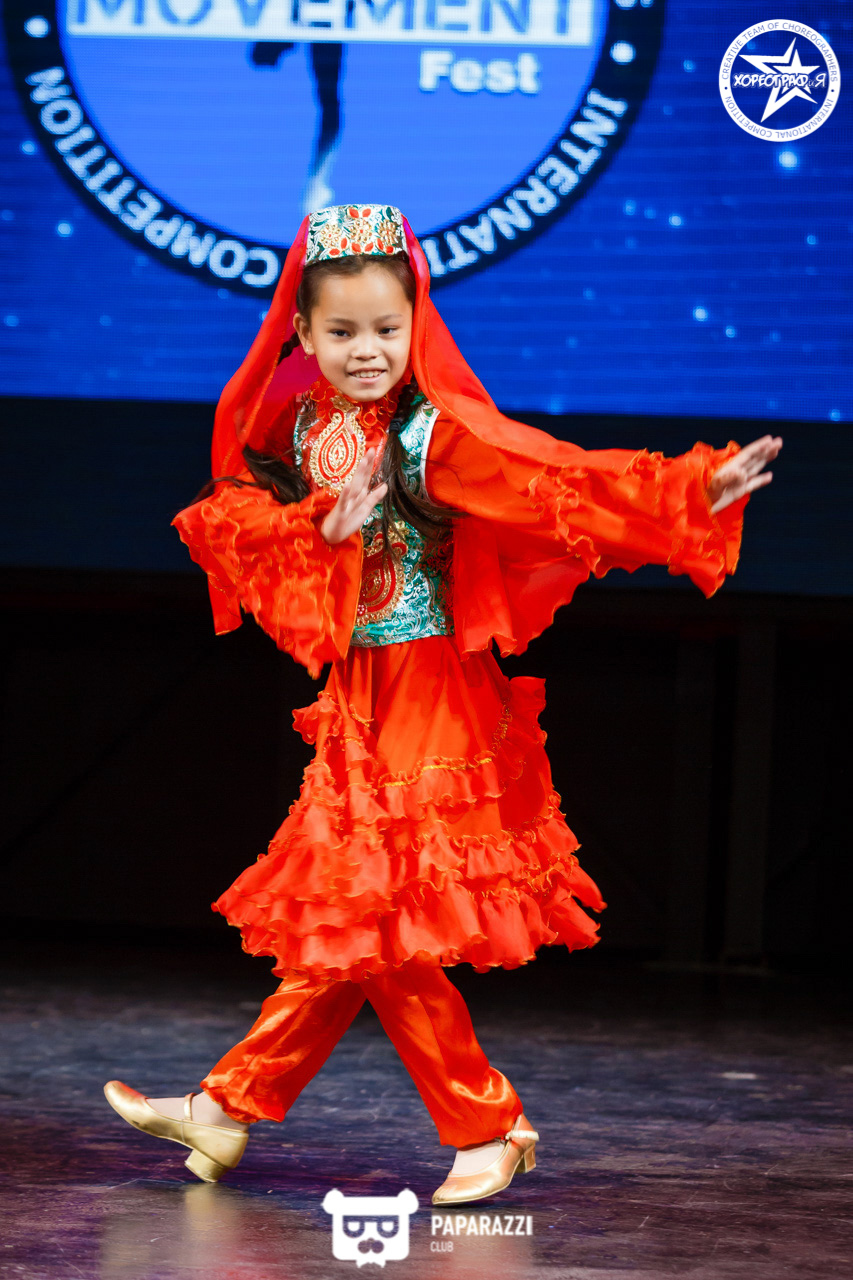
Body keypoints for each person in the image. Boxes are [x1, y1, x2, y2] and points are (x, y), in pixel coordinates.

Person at [104, 204, 782, 1206]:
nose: (367, 350)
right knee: (356, 916)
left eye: (387, 328)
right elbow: (232, 514)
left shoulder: (431, 436)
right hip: (358, 692)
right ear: (303, 334)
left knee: (375, 912)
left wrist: (686, 493)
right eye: (343, 331)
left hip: (431, 688)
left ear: (415, 323)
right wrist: (310, 525)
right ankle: (229, 1104)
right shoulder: (297, 428)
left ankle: (485, 1123)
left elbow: (549, 481)